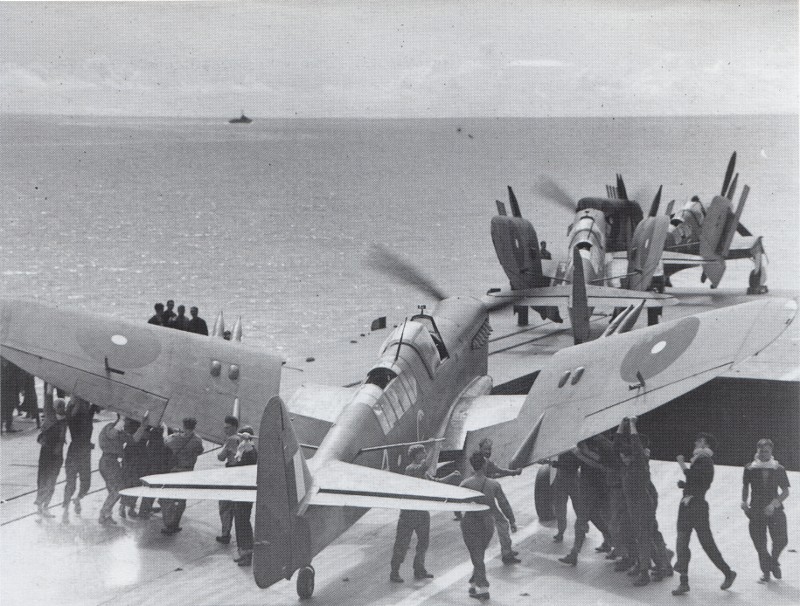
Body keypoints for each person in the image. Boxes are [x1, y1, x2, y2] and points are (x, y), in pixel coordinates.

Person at [672, 432, 736, 595]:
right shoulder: (701, 460)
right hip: (691, 504)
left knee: (699, 543)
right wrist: (685, 485)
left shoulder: (704, 460)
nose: (695, 442)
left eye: (698, 441)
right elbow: (698, 482)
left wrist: (682, 465)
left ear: (705, 445)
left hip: (695, 506)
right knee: (685, 542)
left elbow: (698, 478)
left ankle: (727, 573)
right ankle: (684, 581)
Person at [390, 444, 456, 582]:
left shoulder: (422, 472)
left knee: (423, 543)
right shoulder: (411, 469)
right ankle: (394, 571)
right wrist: (434, 446)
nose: (425, 454)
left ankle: (419, 569)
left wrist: (451, 476)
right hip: (409, 513)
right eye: (423, 452)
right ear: (416, 455)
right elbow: (424, 466)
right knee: (402, 543)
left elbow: (436, 482)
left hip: (421, 512)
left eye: (425, 452)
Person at [459, 451, 513, 601]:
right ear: (483, 464)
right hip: (487, 523)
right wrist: (512, 520)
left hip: (469, 522)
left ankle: (483, 588)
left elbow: (457, 507)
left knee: (476, 555)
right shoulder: (494, 484)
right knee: (479, 554)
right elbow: (504, 504)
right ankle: (474, 583)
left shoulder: (465, 484)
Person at [741, 438, 790, 583]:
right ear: (757, 451)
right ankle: (766, 573)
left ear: (771, 452)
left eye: (766, 451)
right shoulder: (750, 468)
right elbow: (745, 486)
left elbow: (785, 491)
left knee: (782, 540)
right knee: (759, 543)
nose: (763, 454)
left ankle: (773, 561)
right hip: (756, 509)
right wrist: (744, 501)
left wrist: (774, 504)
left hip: (775, 509)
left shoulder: (778, 468)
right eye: (761, 451)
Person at [559, 438, 612, 566]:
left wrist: (581, 453)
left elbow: (601, 465)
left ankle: (574, 554)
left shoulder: (602, 444)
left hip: (596, 489)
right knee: (597, 518)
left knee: (582, 521)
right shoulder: (585, 443)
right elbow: (573, 464)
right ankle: (611, 542)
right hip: (591, 488)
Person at [98, 413, 148, 525]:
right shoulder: (110, 427)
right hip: (108, 461)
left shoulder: (120, 432)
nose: (127, 424)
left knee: (114, 491)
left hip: (112, 462)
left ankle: (106, 515)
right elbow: (112, 435)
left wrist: (143, 426)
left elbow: (134, 439)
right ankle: (103, 514)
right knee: (117, 489)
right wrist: (121, 420)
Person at [478, 438, 521, 564]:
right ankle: (506, 554)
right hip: (485, 496)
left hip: (480, 495)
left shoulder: (479, 461)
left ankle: (506, 551)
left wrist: (512, 472)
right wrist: (514, 472)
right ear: (480, 449)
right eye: (486, 449)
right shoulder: (485, 462)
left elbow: (496, 473)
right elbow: (499, 472)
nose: (488, 451)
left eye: (489, 449)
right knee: (502, 523)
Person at [161, 417, 204, 534]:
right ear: (194, 426)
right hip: (189, 471)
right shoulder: (197, 440)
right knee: (181, 500)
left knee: (169, 498)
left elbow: (165, 441)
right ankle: (176, 523)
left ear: (184, 426)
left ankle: (169, 524)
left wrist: (165, 429)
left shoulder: (176, 438)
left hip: (176, 470)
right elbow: (200, 451)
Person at [62, 396, 98, 522]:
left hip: (80, 452)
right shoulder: (75, 418)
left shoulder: (83, 415)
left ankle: (74, 501)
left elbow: (96, 404)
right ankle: (66, 507)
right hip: (79, 452)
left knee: (81, 483)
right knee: (75, 483)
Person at [34, 386, 68, 518]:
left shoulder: (65, 419)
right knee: (43, 479)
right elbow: (48, 399)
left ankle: (45, 506)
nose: (61, 407)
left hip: (57, 455)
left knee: (51, 481)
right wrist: (49, 386)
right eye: (59, 405)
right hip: (47, 453)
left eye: (62, 405)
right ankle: (40, 506)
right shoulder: (50, 416)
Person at [230, 426, 257, 566]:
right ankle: (243, 551)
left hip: (245, 491)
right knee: (240, 521)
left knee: (243, 521)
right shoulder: (243, 449)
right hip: (240, 490)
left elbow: (244, 465)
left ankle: (247, 553)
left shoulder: (250, 451)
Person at [215, 415, 241, 544]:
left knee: (224, 506)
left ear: (234, 427)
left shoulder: (231, 439)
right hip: (240, 476)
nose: (225, 430)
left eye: (228, 428)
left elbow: (220, 457)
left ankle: (225, 534)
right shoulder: (242, 438)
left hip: (230, 474)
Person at [119, 418, 150, 518]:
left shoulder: (149, 420)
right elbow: (129, 434)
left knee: (137, 482)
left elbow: (147, 435)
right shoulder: (130, 419)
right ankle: (122, 507)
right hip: (131, 453)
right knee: (127, 481)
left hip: (141, 454)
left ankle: (131, 507)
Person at [138, 424, 170, 519]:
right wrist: (166, 429)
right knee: (152, 490)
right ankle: (144, 512)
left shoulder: (151, 442)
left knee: (150, 490)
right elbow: (166, 442)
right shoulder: (159, 443)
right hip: (156, 470)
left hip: (150, 469)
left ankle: (146, 509)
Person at [550, 450, 580, 543]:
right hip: (561, 481)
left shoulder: (574, 449)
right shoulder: (562, 447)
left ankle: (582, 529)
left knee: (579, 508)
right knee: (560, 509)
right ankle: (561, 532)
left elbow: (574, 466)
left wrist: (555, 464)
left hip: (572, 481)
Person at [1, 358, 21, 433]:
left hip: (10, 391)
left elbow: (17, 377)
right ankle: (4, 427)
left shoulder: (12, 366)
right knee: (3, 410)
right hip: (4, 392)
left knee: (9, 409)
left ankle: (8, 427)